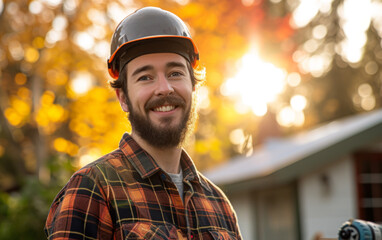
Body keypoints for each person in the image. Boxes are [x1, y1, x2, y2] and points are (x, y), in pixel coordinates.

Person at [45, 6, 242, 240]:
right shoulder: (93, 189)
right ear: (123, 98)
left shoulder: (219, 204)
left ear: (193, 86)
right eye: (145, 77)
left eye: (175, 73)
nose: (164, 88)